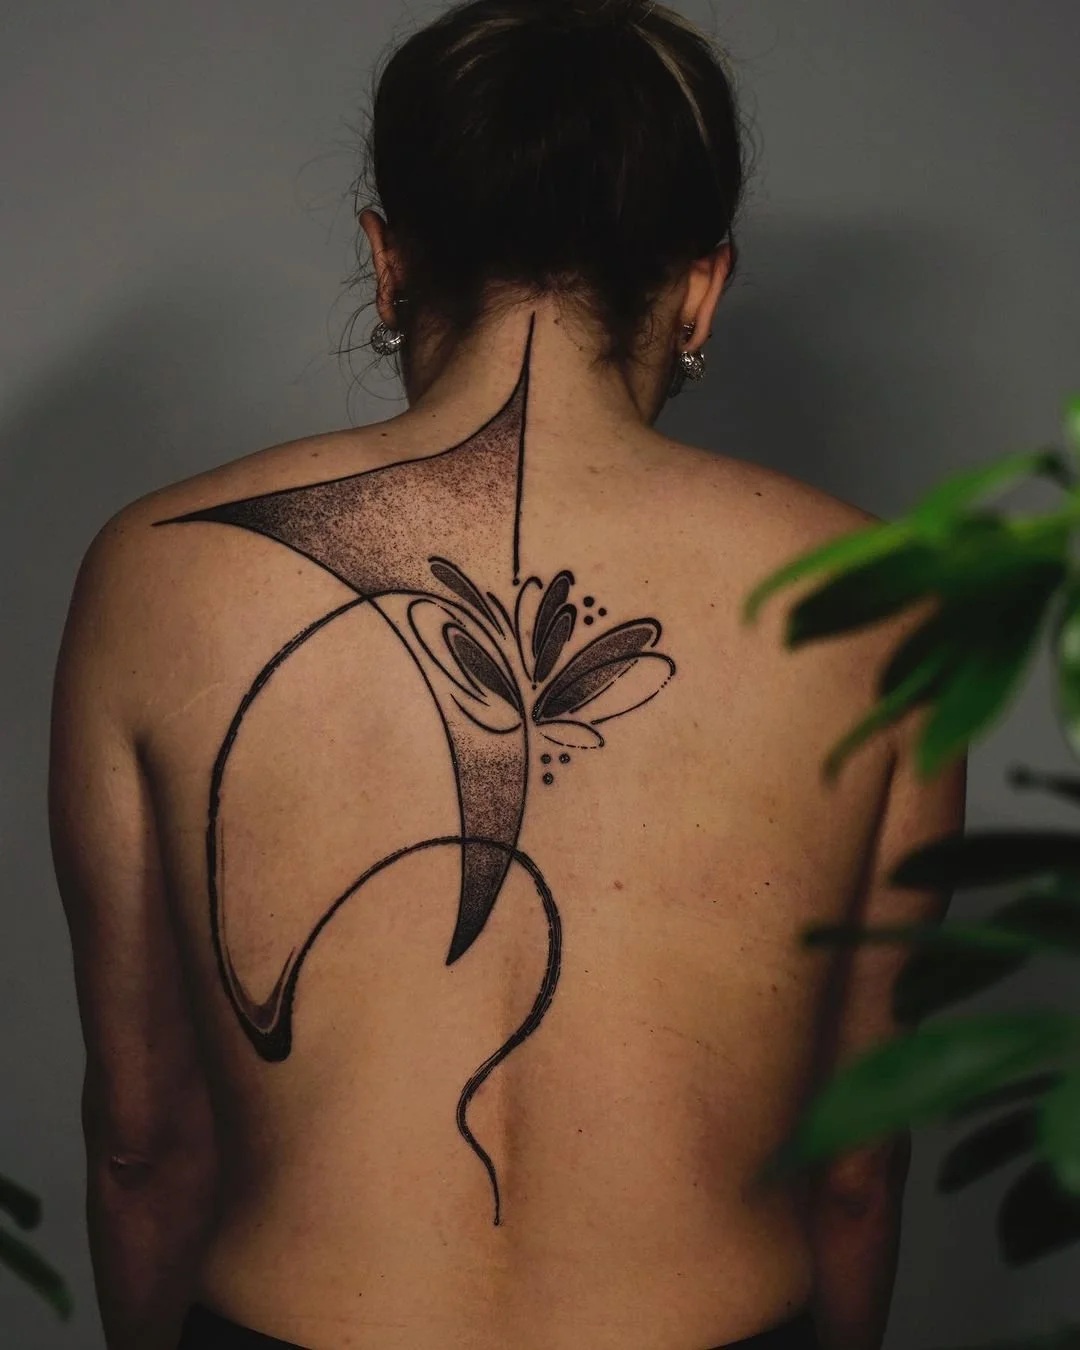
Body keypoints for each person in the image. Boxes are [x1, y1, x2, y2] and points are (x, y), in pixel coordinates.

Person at [49, 1, 966, 1347]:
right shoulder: (884, 609)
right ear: (704, 285)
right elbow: (855, 1174)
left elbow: (145, 1148)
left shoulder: (154, 570)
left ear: (388, 260)